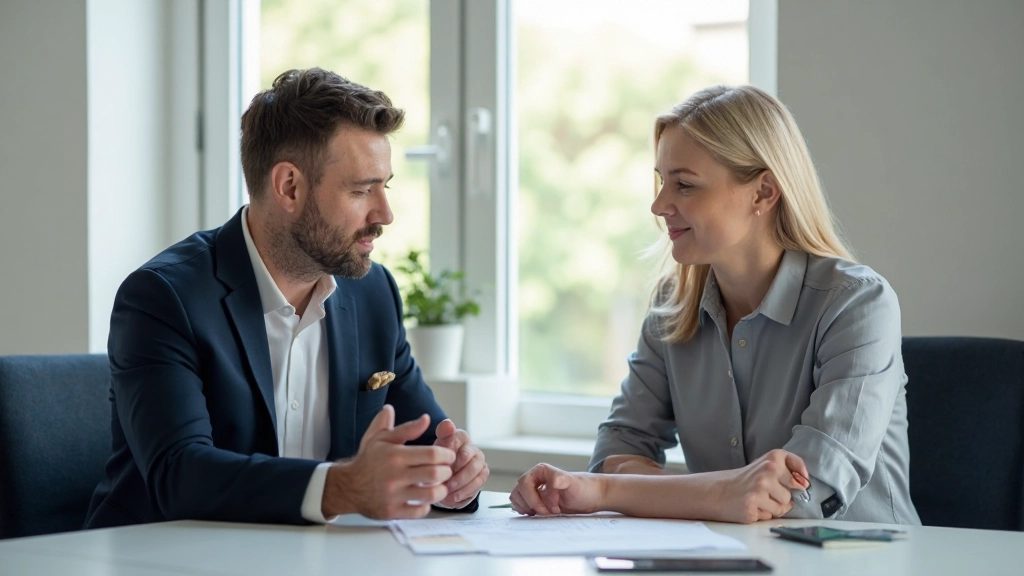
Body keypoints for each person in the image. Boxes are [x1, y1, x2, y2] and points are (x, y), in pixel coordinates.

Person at [84, 68, 488, 528]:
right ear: (290, 187)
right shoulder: (164, 297)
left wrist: (456, 475)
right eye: (361, 190)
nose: (385, 214)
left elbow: (429, 447)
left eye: (385, 186)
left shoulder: (373, 294)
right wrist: (341, 487)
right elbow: (180, 475)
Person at [510, 85, 921, 525]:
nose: (659, 204)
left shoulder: (858, 305)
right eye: (662, 181)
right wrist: (724, 494)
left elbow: (807, 495)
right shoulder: (673, 307)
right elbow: (617, 452)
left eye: (684, 185)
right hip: (728, 557)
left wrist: (612, 492)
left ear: (763, 193)